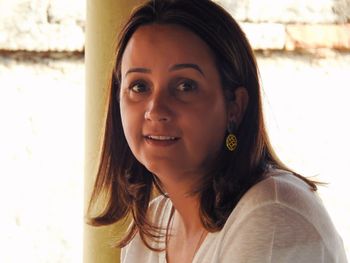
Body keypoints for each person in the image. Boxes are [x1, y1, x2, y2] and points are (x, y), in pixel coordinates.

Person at [87, 0, 348, 262]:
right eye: (139, 86)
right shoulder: (150, 229)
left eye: (185, 86)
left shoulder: (271, 214)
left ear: (234, 106)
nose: (155, 109)